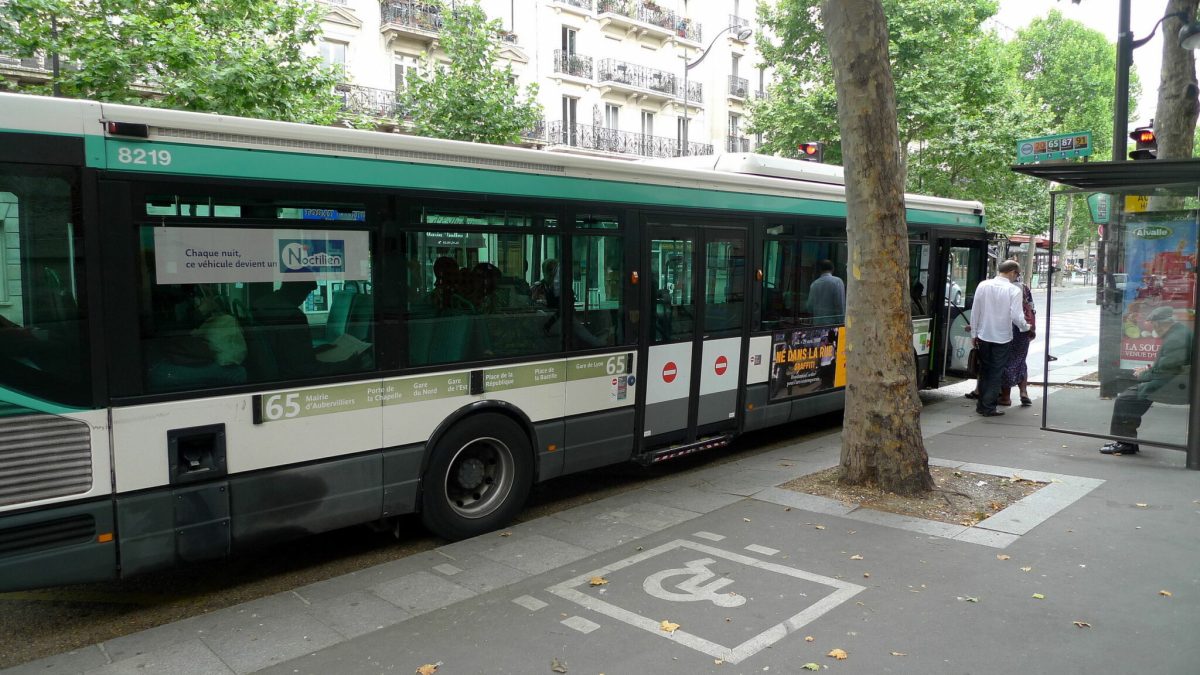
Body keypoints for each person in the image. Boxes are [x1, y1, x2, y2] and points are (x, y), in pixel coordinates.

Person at [1101, 306, 1192, 455]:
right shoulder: (1178, 332)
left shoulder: (1176, 339)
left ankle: (1125, 444)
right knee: (1129, 398)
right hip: (1175, 379)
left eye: (1154, 325)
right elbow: (1168, 363)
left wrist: (1143, 375)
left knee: (1125, 400)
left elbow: (1165, 371)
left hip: (1174, 383)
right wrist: (1149, 368)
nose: (1154, 329)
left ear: (1161, 323)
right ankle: (1126, 441)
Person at [970, 260, 1030, 417]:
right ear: (1012, 272)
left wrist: (974, 333)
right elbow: (1016, 316)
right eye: (1017, 274)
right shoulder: (1013, 290)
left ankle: (981, 405)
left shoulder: (983, 285)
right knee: (996, 372)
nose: (1017, 277)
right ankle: (988, 407)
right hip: (1002, 336)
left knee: (985, 371)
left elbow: (975, 311)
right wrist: (1026, 327)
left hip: (983, 334)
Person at [999, 268, 1037, 407]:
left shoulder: (1001, 288)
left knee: (1005, 361)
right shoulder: (1024, 288)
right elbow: (1031, 308)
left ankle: (1005, 396)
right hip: (1023, 329)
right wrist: (1031, 328)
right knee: (1020, 360)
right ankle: (1023, 392)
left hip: (1006, 328)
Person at [807, 259, 845, 324]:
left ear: (820, 270)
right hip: (832, 324)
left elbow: (809, 307)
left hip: (817, 324)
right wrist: (842, 322)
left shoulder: (814, 284)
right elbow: (840, 304)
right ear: (833, 269)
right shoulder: (837, 281)